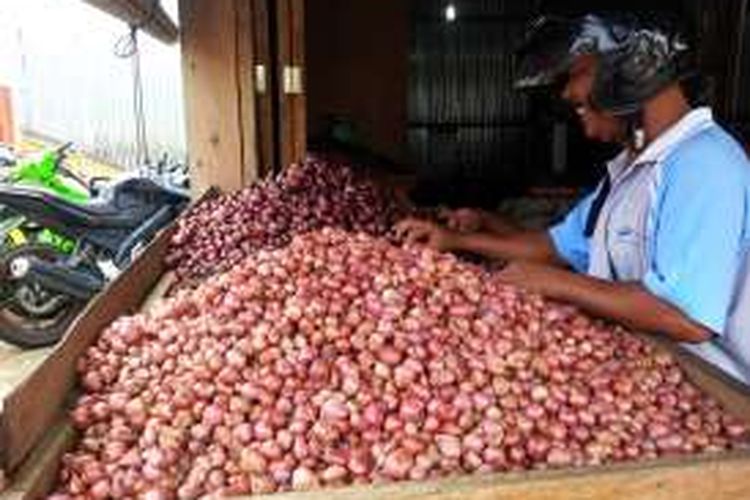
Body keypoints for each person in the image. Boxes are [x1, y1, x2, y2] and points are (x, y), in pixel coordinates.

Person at [396, 14, 750, 386]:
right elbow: (554, 246)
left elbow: (686, 318)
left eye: (577, 72)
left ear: (634, 66)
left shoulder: (703, 163)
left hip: (714, 393)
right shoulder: (629, 172)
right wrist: (455, 241)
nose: (566, 93)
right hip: (642, 374)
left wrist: (554, 284)